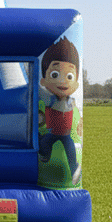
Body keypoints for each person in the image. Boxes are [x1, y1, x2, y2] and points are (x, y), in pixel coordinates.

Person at [39, 37, 82, 185]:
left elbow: (78, 113)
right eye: (55, 75)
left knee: (70, 150)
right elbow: (40, 91)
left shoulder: (72, 101)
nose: (63, 82)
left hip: (65, 134)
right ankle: (45, 155)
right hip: (52, 132)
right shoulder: (50, 99)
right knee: (45, 143)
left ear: (76, 83)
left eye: (69, 76)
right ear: (44, 80)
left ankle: (74, 169)